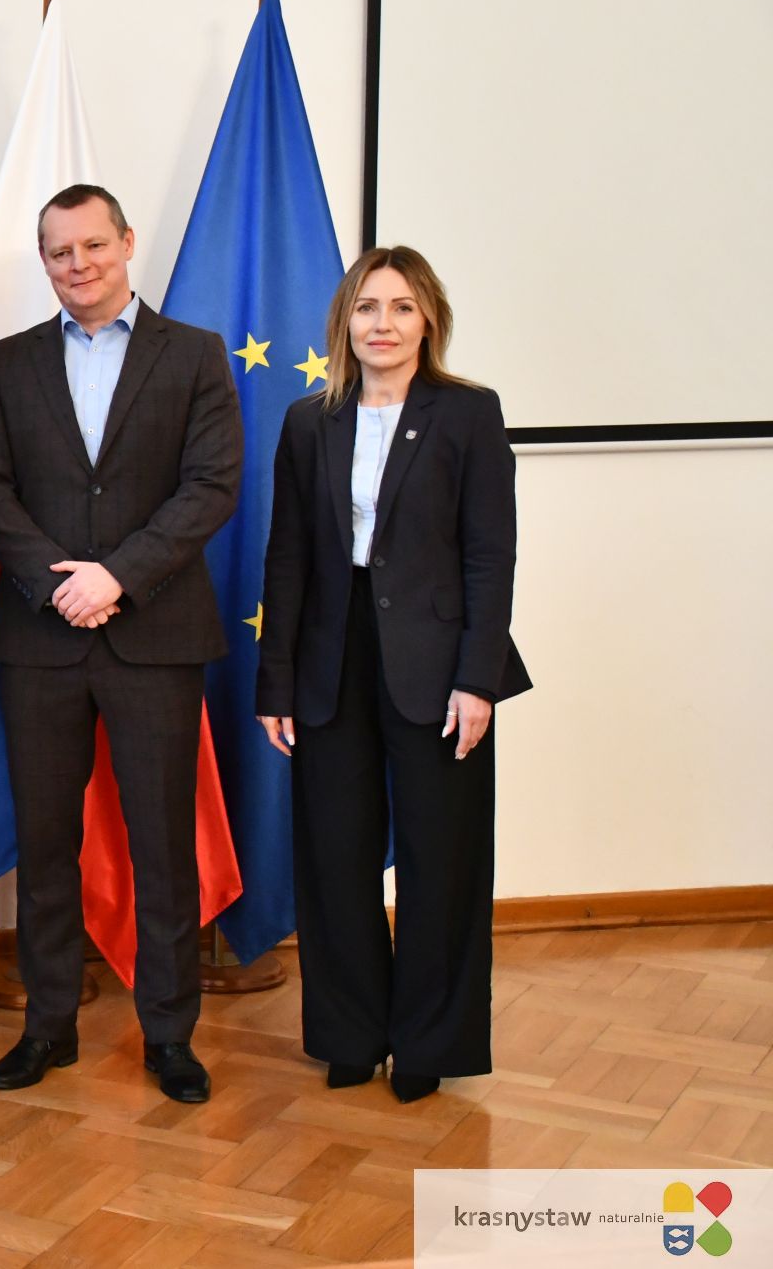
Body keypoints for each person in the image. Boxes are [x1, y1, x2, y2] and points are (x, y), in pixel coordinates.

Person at [0, 183, 241, 1103]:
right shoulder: (11, 362)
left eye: (92, 245)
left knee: (162, 844)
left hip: (154, 634)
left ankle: (169, 1035)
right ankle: (49, 1026)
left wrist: (115, 576)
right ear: (45, 261)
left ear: (125, 242)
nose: (77, 264)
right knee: (46, 844)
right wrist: (57, 583)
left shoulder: (193, 354)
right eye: (59, 251)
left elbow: (211, 485)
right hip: (41, 641)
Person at [256, 245, 530, 1103]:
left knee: (439, 856)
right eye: (367, 307)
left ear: (429, 320)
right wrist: (276, 683)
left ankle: (427, 1043)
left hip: (439, 664)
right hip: (330, 659)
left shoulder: (469, 413)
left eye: (402, 307)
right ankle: (350, 1033)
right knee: (335, 855)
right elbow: (288, 557)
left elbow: (490, 554)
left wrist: (478, 679)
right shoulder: (310, 421)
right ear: (344, 322)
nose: (383, 323)